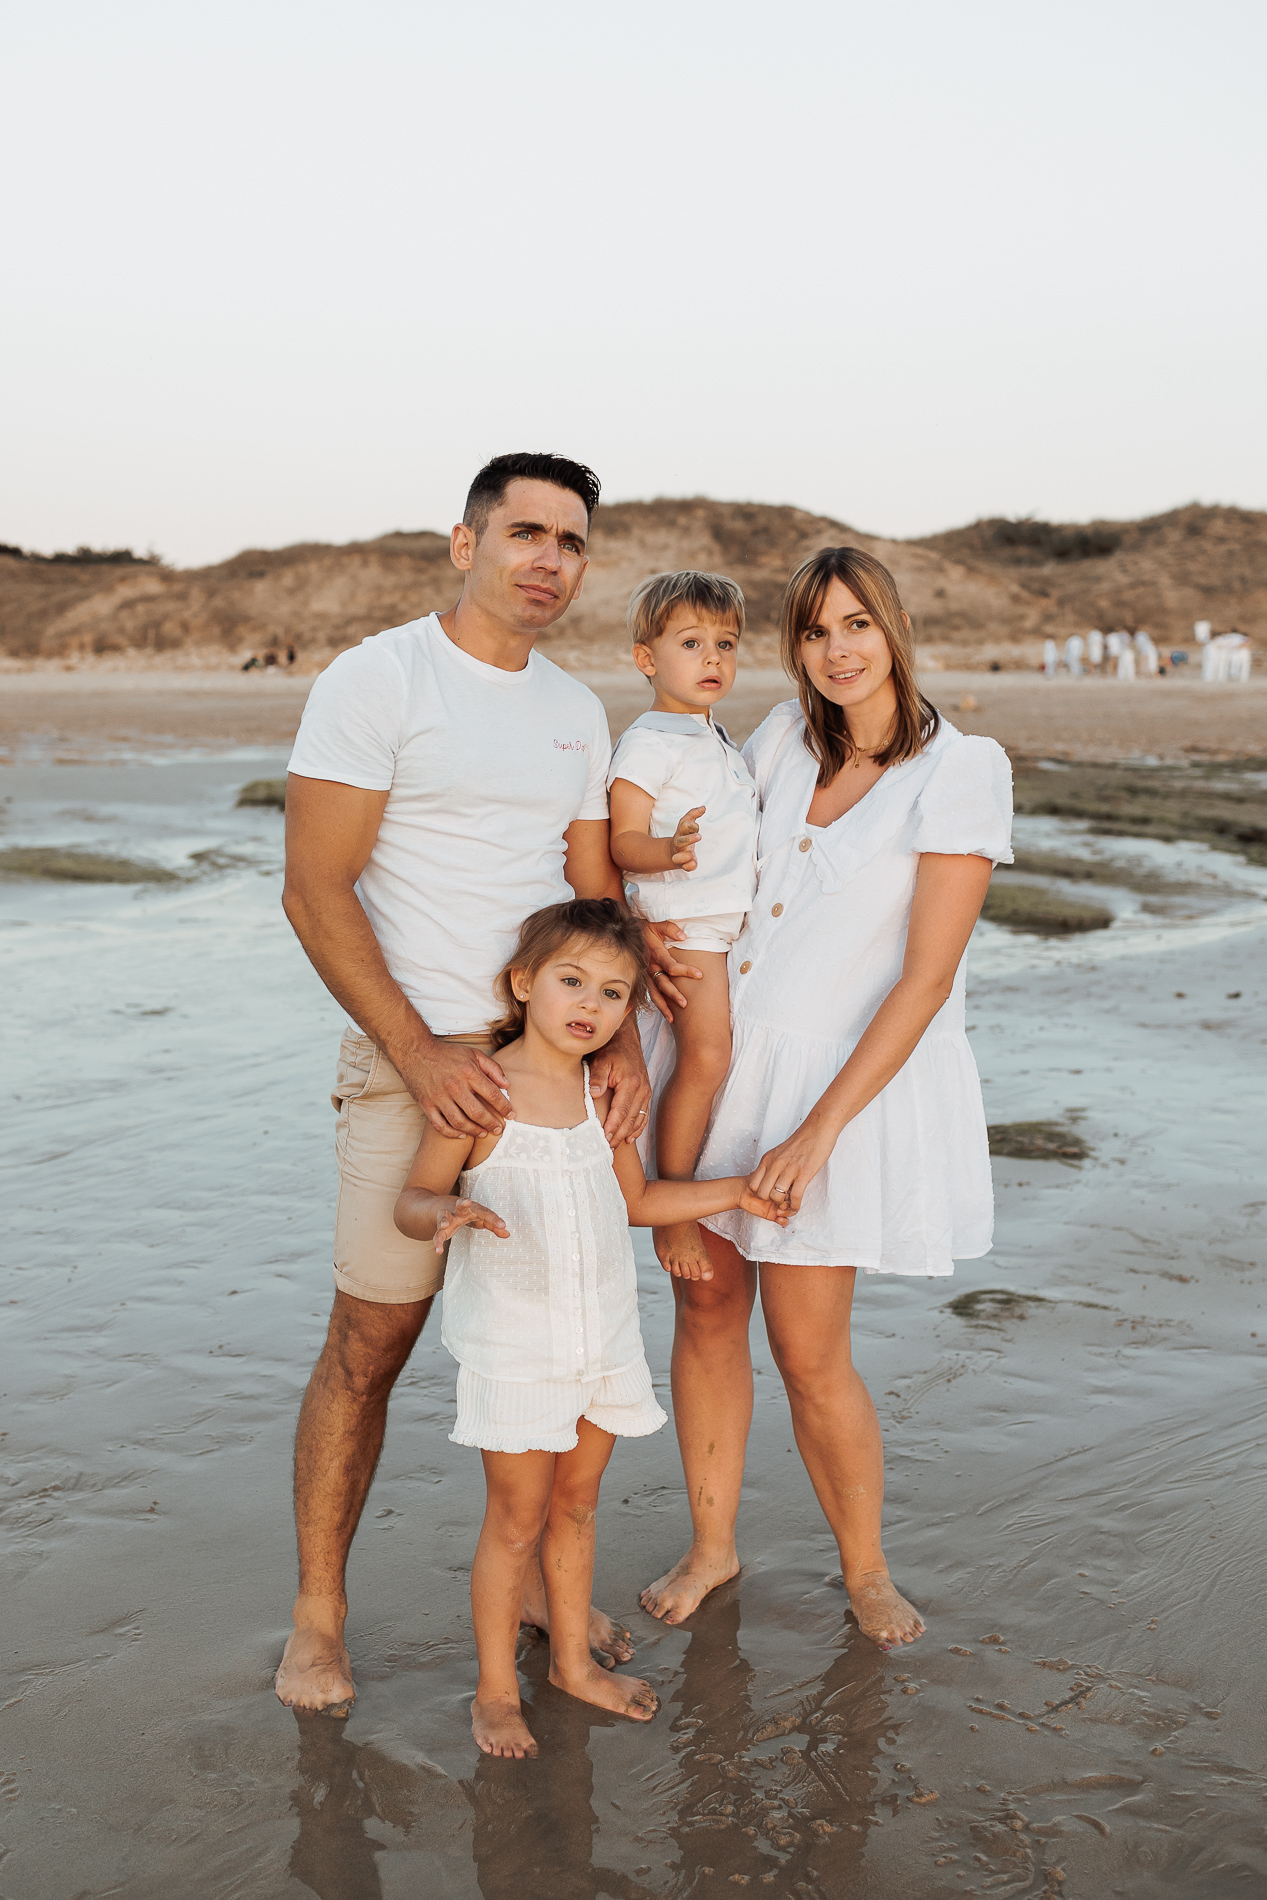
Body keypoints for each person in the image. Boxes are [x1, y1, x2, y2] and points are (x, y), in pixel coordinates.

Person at [274, 452, 693, 1716]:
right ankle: (319, 1616)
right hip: (417, 1062)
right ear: (465, 544)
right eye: (522, 532)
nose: (546, 559)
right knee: (372, 1338)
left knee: (550, 1344)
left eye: (569, 540)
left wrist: (612, 1040)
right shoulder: (377, 679)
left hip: (552, 1062)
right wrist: (419, 1055)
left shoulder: (573, 709)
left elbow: (588, 898)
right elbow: (314, 887)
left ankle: (520, 1580)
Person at [638, 546, 1013, 1649]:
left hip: (835, 1094)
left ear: (890, 627)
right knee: (705, 1308)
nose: (835, 650)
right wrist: (653, 944)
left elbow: (925, 978)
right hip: (719, 1062)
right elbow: (710, 879)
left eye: (854, 624)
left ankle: (865, 1567)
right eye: (812, 631)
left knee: (807, 1347)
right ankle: (713, 1545)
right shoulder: (782, 741)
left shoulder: (959, 766)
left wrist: (816, 1134)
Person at [393, 899, 787, 1757]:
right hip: (516, 1350)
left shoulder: (599, 1092)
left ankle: (571, 1661)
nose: (590, 1004)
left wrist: (737, 1190)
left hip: (599, 1343)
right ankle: (495, 1690)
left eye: (613, 994)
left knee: (576, 1507)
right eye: (571, 981)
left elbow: (639, 1202)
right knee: (514, 1521)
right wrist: (445, 1211)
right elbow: (409, 1200)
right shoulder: (480, 1090)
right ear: (523, 982)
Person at [607, 571, 758, 1280]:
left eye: (724, 644)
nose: (712, 660)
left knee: (700, 1062)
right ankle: (673, 1208)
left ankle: (672, 1189)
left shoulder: (713, 738)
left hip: (720, 927)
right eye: (691, 643)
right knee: (705, 1059)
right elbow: (621, 839)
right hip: (686, 923)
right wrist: (664, 853)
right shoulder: (649, 743)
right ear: (647, 660)